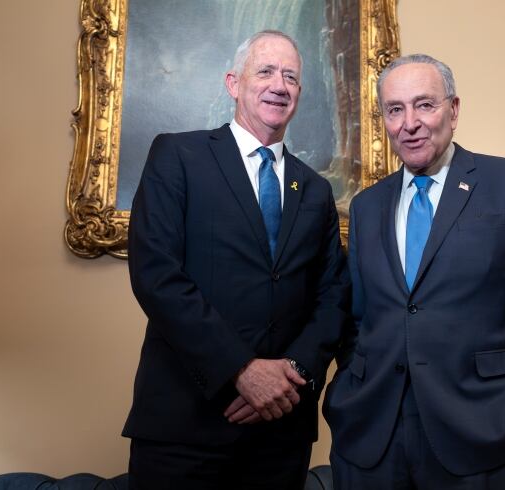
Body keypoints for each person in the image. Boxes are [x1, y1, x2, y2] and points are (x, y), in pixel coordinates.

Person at [324, 54, 505, 489]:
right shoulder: (367, 206)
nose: (410, 123)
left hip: (487, 436)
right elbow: (358, 320)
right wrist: (347, 394)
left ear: (453, 110)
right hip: (374, 440)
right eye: (395, 109)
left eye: (425, 105)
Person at [123, 30, 349, 490]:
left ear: (299, 94)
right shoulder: (178, 156)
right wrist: (241, 370)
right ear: (233, 83)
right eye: (265, 71)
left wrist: (295, 375)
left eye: (290, 77)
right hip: (185, 426)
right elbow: (156, 274)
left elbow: (334, 295)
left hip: (280, 433)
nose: (279, 85)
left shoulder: (317, 190)